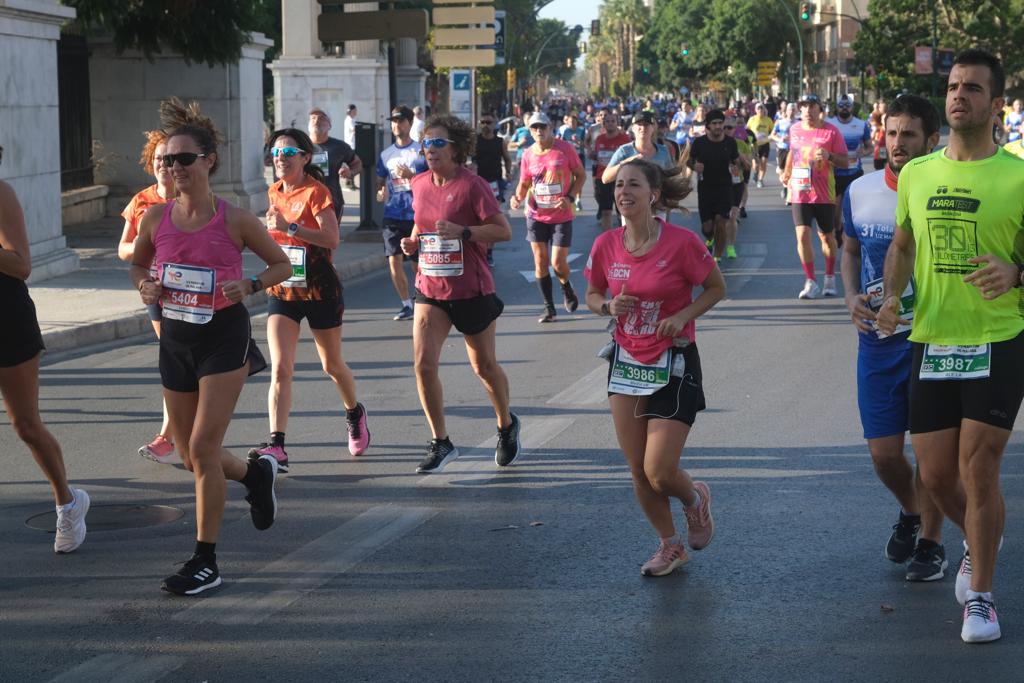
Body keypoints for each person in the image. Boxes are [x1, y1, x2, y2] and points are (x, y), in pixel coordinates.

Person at [877, 49, 1024, 643]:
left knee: (979, 467)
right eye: (953, 86)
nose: (958, 94)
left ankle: (982, 598)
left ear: (995, 104)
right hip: (933, 340)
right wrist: (890, 296)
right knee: (936, 479)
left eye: (972, 88)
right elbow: (904, 246)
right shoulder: (917, 175)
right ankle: (980, 537)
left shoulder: (1017, 177)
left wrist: (1016, 274)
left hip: (998, 339)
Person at [130, 98, 292, 595]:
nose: (174, 167)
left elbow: (284, 266)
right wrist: (145, 287)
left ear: (208, 161)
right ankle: (255, 475)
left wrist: (252, 285)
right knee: (185, 450)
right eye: (166, 160)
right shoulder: (155, 220)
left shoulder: (237, 219)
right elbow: (138, 266)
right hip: (176, 336)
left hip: (224, 336)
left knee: (202, 447)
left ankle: (206, 561)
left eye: (183, 158)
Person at [583, 157, 725, 577]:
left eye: (633, 186)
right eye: (619, 186)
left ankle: (695, 500)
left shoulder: (681, 243)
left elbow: (716, 287)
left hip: (674, 360)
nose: (623, 192)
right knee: (637, 470)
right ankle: (670, 546)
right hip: (626, 361)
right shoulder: (606, 245)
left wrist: (683, 316)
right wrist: (607, 305)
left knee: (659, 470)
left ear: (654, 195)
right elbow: (591, 293)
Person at [841, 94, 948, 582]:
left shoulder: (947, 189)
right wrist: (849, 297)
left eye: (909, 135)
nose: (897, 143)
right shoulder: (861, 190)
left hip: (936, 338)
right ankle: (912, 511)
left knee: (933, 455)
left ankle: (932, 541)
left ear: (932, 140)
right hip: (878, 342)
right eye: (891, 133)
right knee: (885, 456)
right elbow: (849, 249)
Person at [398, 115, 519, 473]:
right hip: (430, 287)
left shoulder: (473, 186)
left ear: (456, 149)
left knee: (483, 366)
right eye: (426, 143)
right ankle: (441, 441)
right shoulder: (419, 183)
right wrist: (412, 241)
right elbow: (421, 222)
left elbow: (503, 231)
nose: (429, 150)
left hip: (471, 289)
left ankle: (506, 424)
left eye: (437, 143)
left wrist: (463, 232)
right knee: (423, 365)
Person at [247, 127, 370, 473]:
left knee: (331, 365)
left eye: (288, 154)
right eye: (276, 155)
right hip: (284, 289)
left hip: (319, 289)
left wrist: (292, 229)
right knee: (282, 369)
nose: (281, 160)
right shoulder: (274, 191)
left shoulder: (318, 192)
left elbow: (332, 239)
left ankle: (354, 412)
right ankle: (277, 444)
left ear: (304, 158)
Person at [0, 146, 89, 554]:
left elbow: (21, 266)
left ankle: (67, 503)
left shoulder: (2, 194)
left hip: (8, 321)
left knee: (26, 425)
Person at [119, 129, 176, 463]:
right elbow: (123, 249)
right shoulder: (142, 201)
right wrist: (144, 247)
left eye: (168, 160)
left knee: (180, 363)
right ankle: (168, 436)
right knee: (173, 360)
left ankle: (177, 432)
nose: (162, 166)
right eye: (157, 160)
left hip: (189, 292)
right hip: (155, 291)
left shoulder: (190, 199)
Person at [510, 112, 585, 323]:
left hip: (561, 214)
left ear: (550, 127)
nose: (539, 131)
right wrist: (518, 197)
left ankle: (566, 287)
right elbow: (524, 182)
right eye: (534, 128)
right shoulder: (527, 155)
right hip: (535, 214)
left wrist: (570, 197)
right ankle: (549, 308)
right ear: (530, 130)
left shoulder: (564, 148)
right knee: (540, 261)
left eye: (542, 127)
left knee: (558, 263)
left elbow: (581, 175)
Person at [780, 94, 848, 299]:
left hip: (824, 193)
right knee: (802, 234)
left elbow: (845, 162)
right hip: (800, 190)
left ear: (820, 109)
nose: (807, 111)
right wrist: (786, 171)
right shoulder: (795, 129)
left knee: (827, 237)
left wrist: (830, 156)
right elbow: (793, 151)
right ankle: (810, 281)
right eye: (804, 107)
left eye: (812, 106)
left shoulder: (831, 132)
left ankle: (829, 277)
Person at [376, 106, 427, 321]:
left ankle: (423, 300)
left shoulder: (420, 151)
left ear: (409, 123)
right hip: (393, 214)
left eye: (401, 121)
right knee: (393, 260)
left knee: (417, 264)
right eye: (393, 121)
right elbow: (381, 180)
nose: (397, 125)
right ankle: (406, 304)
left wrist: (412, 175)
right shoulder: (386, 154)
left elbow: (430, 180)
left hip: (416, 215)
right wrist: (381, 191)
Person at [687, 109, 740, 262]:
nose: (718, 126)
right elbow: (689, 161)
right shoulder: (700, 143)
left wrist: (736, 168)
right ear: (708, 126)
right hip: (705, 188)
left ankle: (716, 257)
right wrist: (693, 166)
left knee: (721, 222)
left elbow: (736, 161)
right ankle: (710, 238)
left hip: (725, 188)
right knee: (708, 227)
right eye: (714, 123)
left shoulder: (730, 142)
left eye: (720, 123)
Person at [825, 95, 872, 244]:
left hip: (854, 173)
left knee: (853, 210)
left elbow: (869, 146)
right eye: (841, 106)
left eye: (847, 106)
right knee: (836, 213)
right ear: (837, 107)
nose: (844, 108)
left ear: (852, 107)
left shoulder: (861, 124)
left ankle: (851, 238)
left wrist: (863, 152)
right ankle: (838, 230)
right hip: (835, 173)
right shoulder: (829, 124)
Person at [472, 112, 513, 267]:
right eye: (483, 122)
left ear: (494, 124)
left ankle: (489, 253)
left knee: (492, 218)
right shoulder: (476, 141)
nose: (485, 125)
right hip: (478, 182)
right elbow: (468, 159)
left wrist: (508, 172)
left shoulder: (499, 142)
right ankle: (479, 249)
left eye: (488, 122)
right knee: (478, 218)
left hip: (495, 182)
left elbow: (507, 158)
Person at [307, 108, 361, 220]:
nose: (316, 121)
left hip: (332, 201)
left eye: (321, 118)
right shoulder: (300, 146)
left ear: (329, 125)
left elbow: (357, 163)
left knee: (331, 237)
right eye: (313, 118)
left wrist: (350, 173)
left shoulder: (339, 146)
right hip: (305, 202)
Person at [591, 109, 633, 232]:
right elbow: (597, 156)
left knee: (623, 211)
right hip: (602, 178)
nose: (609, 123)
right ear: (603, 124)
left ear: (617, 123)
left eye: (612, 121)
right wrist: (593, 154)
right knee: (606, 212)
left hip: (620, 179)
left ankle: (626, 238)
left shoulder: (625, 139)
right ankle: (608, 239)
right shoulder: (599, 139)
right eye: (607, 121)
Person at [772, 102, 797, 198]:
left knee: (793, 169)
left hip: (794, 150)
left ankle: (788, 189)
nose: (791, 112)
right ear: (786, 111)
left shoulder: (799, 123)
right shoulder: (780, 122)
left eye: (793, 110)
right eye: (790, 110)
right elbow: (772, 135)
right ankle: (785, 186)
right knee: (782, 170)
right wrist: (780, 139)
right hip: (782, 148)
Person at [747, 103, 774, 188]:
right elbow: (747, 131)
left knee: (763, 163)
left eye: (762, 109)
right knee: (756, 164)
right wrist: (749, 141)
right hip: (755, 145)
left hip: (765, 143)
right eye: (758, 109)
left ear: (764, 110)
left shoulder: (768, 120)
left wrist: (770, 136)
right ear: (755, 110)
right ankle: (755, 172)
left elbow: (773, 131)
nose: (760, 110)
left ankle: (760, 180)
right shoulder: (752, 119)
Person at [343, 104, 358, 189]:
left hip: (352, 144)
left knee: (352, 164)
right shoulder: (350, 120)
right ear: (351, 111)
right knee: (352, 165)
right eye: (355, 110)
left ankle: (351, 182)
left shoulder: (351, 119)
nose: (356, 112)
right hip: (351, 145)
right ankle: (349, 183)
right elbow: (354, 130)